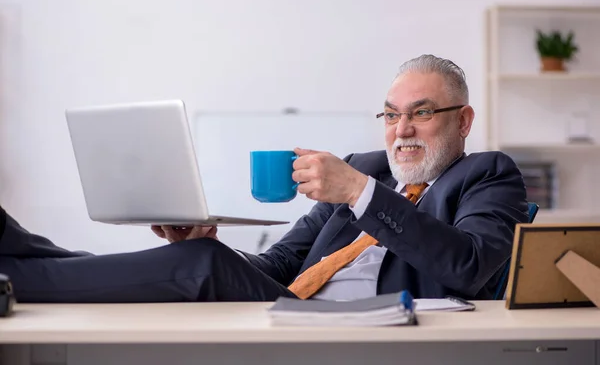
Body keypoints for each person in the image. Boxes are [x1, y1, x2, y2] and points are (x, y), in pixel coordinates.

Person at [0, 54, 528, 303]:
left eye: (422, 112)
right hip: (295, 307)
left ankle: (12, 279)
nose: (402, 129)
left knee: (202, 265)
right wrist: (216, 246)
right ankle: (17, 250)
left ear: (463, 120)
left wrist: (360, 195)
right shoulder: (367, 168)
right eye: (391, 114)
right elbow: (281, 263)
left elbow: (469, 266)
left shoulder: (487, 175)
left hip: (372, 319)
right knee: (206, 256)